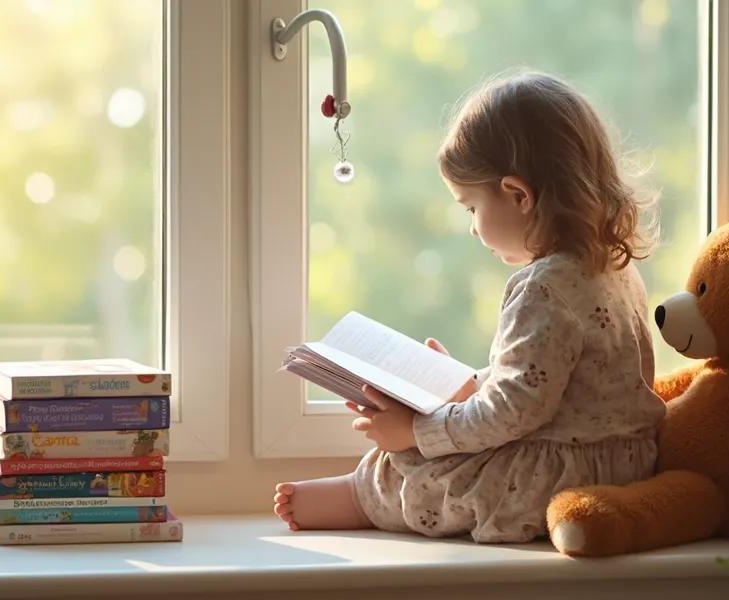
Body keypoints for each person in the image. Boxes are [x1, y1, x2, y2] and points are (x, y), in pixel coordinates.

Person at [273, 71, 667, 543]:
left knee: (419, 467)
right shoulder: (612, 268)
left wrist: (417, 433)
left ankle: (357, 498)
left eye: (470, 208)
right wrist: (467, 383)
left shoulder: (543, 286)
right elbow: (547, 381)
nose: (474, 229)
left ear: (519, 195)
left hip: (560, 476)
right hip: (624, 462)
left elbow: (513, 413)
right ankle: (360, 488)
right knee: (431, 447)